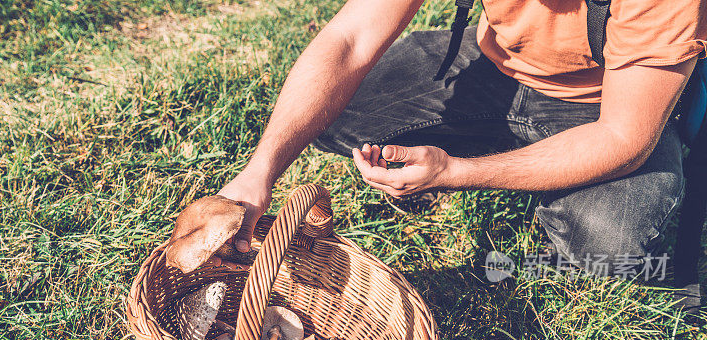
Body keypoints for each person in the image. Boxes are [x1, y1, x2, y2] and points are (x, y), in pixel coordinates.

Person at [217, 0, 706, 282]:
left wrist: (456, 172)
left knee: (613, 239)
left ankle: (543, 198)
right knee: (330, 109)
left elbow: (623, 137)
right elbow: (349, 39)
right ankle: (523, 158)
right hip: (491, 65)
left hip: (606, 103)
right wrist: (260, 171)